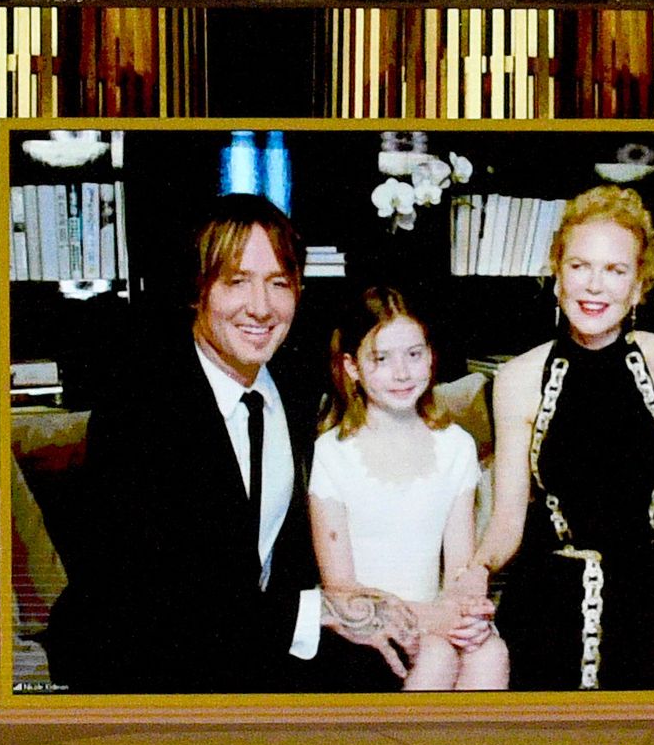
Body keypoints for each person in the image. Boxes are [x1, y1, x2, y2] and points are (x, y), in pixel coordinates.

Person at [45, 194, 412, 693]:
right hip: (146, 663)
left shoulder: (301, 386)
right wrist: (323, 608)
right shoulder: (140, 409)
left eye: (278, 284)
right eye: (236, 281)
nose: (260, 308)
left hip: (260, 649)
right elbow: (164, 597)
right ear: (200, 290)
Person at [462, 185, 654, 690]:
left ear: (638, 287)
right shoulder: (517, 380)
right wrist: (476, 569)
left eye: (615, 271)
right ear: (556, 273)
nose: (595, 286)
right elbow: (506, 523)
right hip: (548, 583)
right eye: (580, 266)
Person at [308, 286, 508, 690]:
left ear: (431, 357)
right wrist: (439, 620)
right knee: (434, 655)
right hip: (361, 627)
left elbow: (458, 570)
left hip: (437, 615)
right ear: (352, 367)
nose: (401, 373)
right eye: (381, 359)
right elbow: (341, 588)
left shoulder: (456, 447)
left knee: (490, 652)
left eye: (414, 355)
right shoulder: (332, 453)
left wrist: (468, 614)